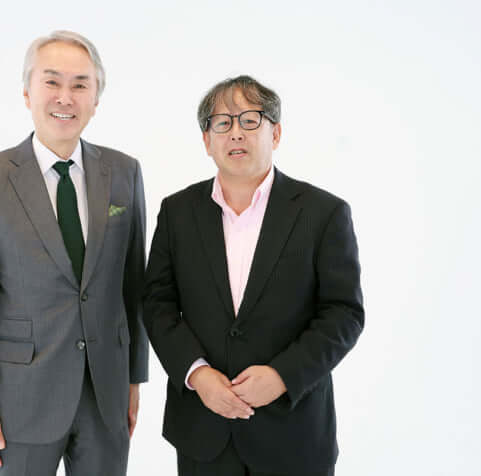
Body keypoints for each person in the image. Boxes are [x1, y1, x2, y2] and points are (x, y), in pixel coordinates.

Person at [142, 75, 363, 476]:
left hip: (293, 432)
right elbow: (157, 304)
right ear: (207, 140)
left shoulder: (324, 213)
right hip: (204, 431)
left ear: (275, 133)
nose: (235, 133)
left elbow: (344, 313)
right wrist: (197, 374)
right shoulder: (177, 212)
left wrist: (283, 376)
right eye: (222, 123)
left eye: (249, 120)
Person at [0, 30, 148, 476]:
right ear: (27, 92)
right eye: (52, 81)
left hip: (106, 392)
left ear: (96, 98)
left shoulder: (124, 172)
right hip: (21, 397)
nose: (66, 96)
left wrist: (134, 378)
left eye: (80, 84)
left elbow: (134, 286)